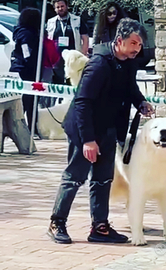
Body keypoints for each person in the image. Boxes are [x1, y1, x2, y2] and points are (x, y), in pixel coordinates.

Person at [47, 17, 154, 244]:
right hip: (84, 129)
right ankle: (57, 222)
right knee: (75, 177)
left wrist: (140, 102)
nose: (138, 48)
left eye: (140, 44)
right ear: (119, 41)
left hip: (108, 128)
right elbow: (83, 102)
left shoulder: (127, 62)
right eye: (133, 43)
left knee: (103, 179)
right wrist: (87, 140)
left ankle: (100, 227)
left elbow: (129, 86)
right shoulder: (99, 64)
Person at [9, 7, 41, 137]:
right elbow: (26, 50)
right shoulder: (27, 34)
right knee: (29, 101)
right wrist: (29, 61)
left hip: (19, 68)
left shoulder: (20, 31)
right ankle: (31, 129)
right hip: (26, 71)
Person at [46, 0, 89, 84]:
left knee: (72, 80)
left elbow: (85, 38)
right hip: (56, 58)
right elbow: (48, 39)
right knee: (57, 80)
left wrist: (83, 53)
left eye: (62, 6)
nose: (60, 9)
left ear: (67, 6)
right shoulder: (50, 22)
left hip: (73, 57)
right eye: (57, 7)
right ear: (54, 9)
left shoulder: (77, 20)